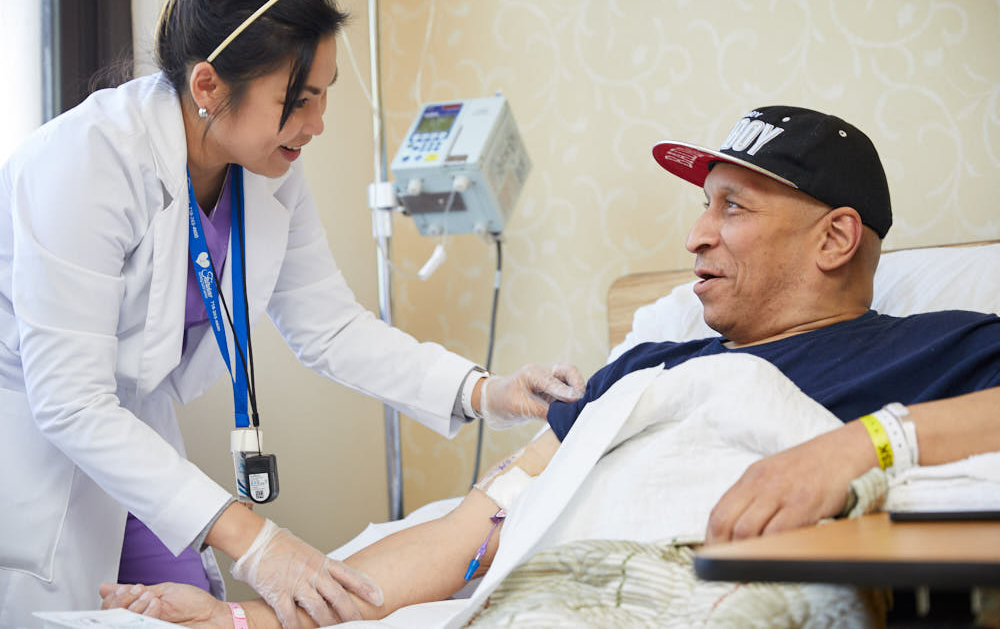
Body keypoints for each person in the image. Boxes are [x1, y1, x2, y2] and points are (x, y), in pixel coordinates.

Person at [100, 105, 1000, 626]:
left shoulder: (937, 348)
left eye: (731, 207)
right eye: (700, 206)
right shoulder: (650, 363)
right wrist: (245, 618)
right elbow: (480, 530)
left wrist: (861, 447)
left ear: (837, 236)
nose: (694, 233)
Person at [0, 0, 584, 627]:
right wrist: (259, 540)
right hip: (34, 451)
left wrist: (486, 390)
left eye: (324, 95)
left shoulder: (266, 171)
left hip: (135, 444)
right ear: (208, 86)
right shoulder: (86, 160)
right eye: (299, 98)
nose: (318, 122)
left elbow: (331, 327)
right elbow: (70, 399)